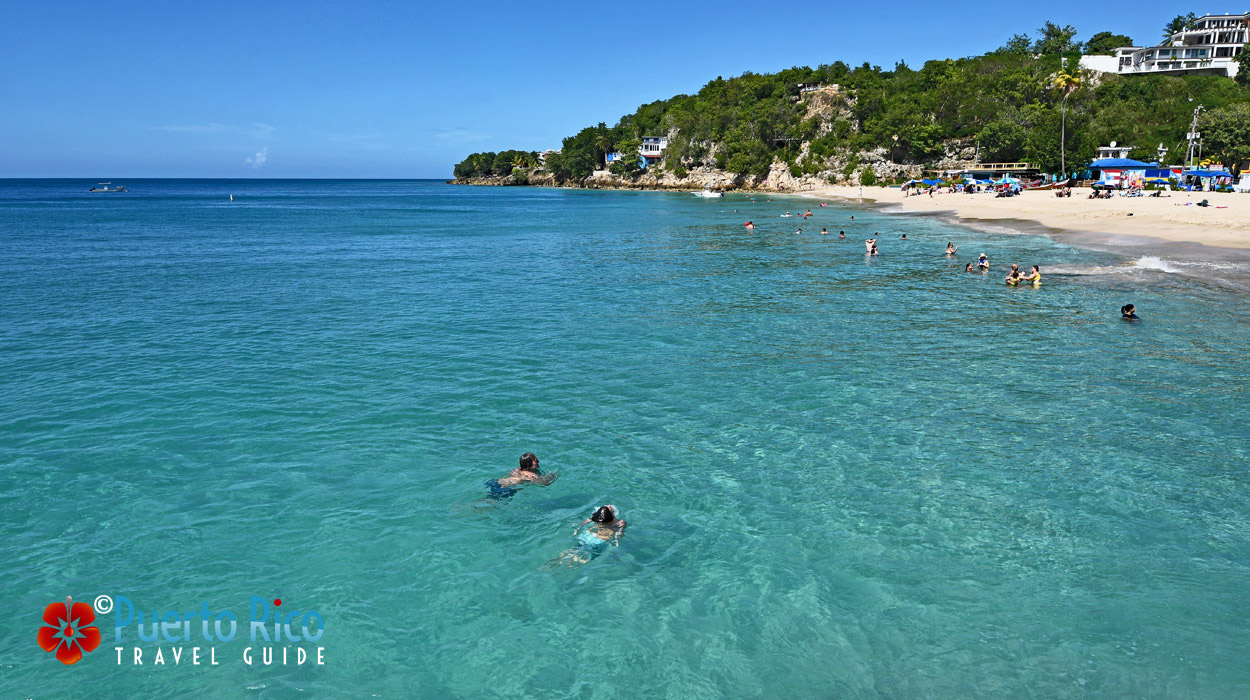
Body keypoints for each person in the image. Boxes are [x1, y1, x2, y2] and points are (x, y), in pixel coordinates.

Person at [543, 505, 626, 569]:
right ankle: (565, 567)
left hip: (587, 535)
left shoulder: (595, 518)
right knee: (581, 559)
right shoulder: (619, 522)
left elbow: (581, 523)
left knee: (573, 550)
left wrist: (576, 530)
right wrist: (616, 540)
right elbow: (619, 534)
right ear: (612, 515)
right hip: (600, 540)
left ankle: (557, 561)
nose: (609, 506)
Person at [485, 453, 557, 501]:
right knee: (490, 503)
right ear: (529, 464)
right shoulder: (530, 474)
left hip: (496, 482)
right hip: (505, 489)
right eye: (535, 461)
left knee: (487, 499)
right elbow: (544, 483)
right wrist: (553, 476)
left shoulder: (518, 469)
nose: (538, 461)